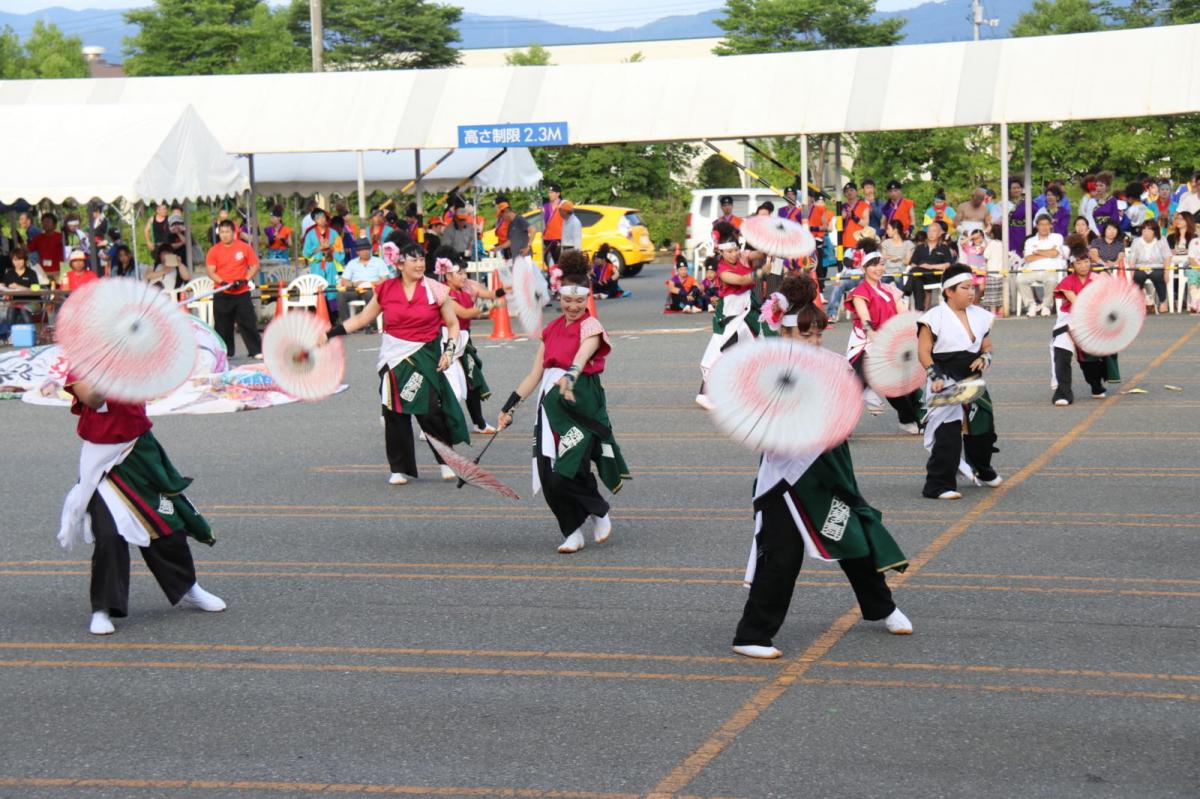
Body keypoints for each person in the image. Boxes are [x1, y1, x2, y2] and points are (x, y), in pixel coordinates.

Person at [731, 274, 912, 660]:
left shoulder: (834, 364)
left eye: (818, 334)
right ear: (784, 333)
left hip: (829, 470)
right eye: (804, 335)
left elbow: (853, 404)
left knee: (854, 540)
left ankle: (882, 607)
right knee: (780, 555)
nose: (813, 342)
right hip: (786, 478)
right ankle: (753, 634)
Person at [57, 374, 224, 636]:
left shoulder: (136, 357)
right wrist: (106, 372)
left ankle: (188, 587)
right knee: (109, 535)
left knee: (167, 524)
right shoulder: (84, 362)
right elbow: (91, 397)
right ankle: (102, 609)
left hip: (139, 452)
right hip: (102, 462)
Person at [496, 251, 630, 554]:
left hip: (580, 402)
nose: (572, 306)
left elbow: (583, 356)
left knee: (570, 467)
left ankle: (599, 510)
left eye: (579, 301)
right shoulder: (551, 329)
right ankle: (571, 531)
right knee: (549, 475)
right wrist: (510, 405)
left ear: (587, 298)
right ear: (559, 295)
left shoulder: (591, 326)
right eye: (567, 301)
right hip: (551, 403)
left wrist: (570, 376)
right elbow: (534, 374)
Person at [322, 241, 468, 485]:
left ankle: (446, 460)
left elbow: (452, 324)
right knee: (394, 412)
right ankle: (399, 467)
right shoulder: (386, 290)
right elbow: (361, 319)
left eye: (422, 259)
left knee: (430, 409)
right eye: (414, 259)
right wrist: (329, 334)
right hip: (393, 359)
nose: (420, 264)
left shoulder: (435, 289)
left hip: (425, 357)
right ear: (399, 263)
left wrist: (449, 350)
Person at [917, 264, 1001, 500]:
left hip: (972, 379)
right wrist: (934, 377)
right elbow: (923, 352)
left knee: (983, 428)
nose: (971, 292)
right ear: (949, 291)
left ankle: (982, 469)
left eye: (972, 287)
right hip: (944, 378)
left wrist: (986, 357)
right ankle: (939, 484)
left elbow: (986, 345)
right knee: (947, 433)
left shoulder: (980, 315)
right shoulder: (933, 318)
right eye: (965, 287)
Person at [845, 250, 921, 434]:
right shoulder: (860, 292)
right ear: (864, 268)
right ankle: (840, 424)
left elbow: (903, 314)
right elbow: (865, 321)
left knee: (896, 385)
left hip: (889, 342)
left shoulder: (889, 289)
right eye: (874, 264)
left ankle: (908, 419)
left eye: (881, 264)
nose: (879, 268)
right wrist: (876, 340)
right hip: (865, 344)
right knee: (855, 386)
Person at [439, 253, 505, 434]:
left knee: (472, 380)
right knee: (452, 386)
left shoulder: (466, 286)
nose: (463, 276)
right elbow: (464, 313)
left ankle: (479, 423)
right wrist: (491, 306)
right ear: (447, 275)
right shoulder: (444, 293)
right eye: (459, 273)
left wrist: (505, 290)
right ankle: (433, 425)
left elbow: (490, 293)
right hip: (447, 341)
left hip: (463, 340)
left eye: (464, 272)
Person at [696, 239, 764, 410]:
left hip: (746, 311)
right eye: (729, 251)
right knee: (720, 352)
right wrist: (761, 272)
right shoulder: (722, 270)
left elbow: (758, 254)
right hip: (730, 314)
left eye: (735, 250)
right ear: (721, 253)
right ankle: (704, 394)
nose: (734, 254)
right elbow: (741, 280)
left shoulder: (742, 256)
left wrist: (769, 246)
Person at [1051, 256, 1109, 406]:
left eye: (1086, 262)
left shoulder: (1097, 278)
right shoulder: (1067, 281)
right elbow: (1078, 303)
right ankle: (1063, 392)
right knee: (1061, 351)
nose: (1083, 266)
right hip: (1069, 319)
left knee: (1089, 358)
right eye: (1079, 263)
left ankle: (1096, 385)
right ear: (1072, 265)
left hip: (1092, 319)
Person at [205, 219, 262, 359]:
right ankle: (226, 352)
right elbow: (211, 271)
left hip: (241, 291)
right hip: (222, 291)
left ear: (234, 233)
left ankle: (255, 350)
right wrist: (222, 282)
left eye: (227, 232)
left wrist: (245, 279)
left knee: (248, 322)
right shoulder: (214, 250)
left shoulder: (244, 247)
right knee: (223, 325)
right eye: (222, 232)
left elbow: (254, 265)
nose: (224, 235)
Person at [337, 238, 393, 329]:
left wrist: (370, 283)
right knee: (340, 295)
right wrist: (354, 284)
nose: (365, 252)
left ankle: (371, 323)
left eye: (367, 249)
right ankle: (347, 324)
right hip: (356, 289)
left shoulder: (378, 262)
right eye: (362, 250)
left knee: (369, 294)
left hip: (372, 289)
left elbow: (384, 279)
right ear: (358, 252)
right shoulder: (352, 263)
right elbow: (344, 281)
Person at [1019, 214, 1065, 317]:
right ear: (1037, 226)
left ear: (1051, 226)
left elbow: (1055, 254)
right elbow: (1028, 258)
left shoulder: (1057, 237)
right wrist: (1048, 253)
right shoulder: (1030, 241)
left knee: (1052, 281)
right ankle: (1031, 305)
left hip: (1050, 270)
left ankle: (1046, 306)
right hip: (1032, 270)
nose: (1044, 227)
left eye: (1047, 224)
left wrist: (1037, 251)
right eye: (1041, 224)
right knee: (1020, 280)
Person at [905, 219, 955, 312]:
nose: (931, 233)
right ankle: (919, 309)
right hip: (920, 276)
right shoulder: (920, 247)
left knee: (914, 272)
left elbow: (948, 264)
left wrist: (930, 266)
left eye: (934, 231)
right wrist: (919, 268)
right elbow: (913, 264)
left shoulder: (944, 248)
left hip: (935, 275)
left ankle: (906, 290)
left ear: (940, 233)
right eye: (929, 231)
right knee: (917, 279)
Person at [1128, 220, 1171, 314]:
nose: (1145, 231)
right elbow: (1132, 259)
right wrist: (1132, 273)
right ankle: (1138, 303)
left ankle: (1163, 302)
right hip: (1141, 267)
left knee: (1158, 275)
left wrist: (1167, 273)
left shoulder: (1162, 240)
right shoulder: (1136, 241)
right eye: (1144, 229)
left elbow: (1167, 257)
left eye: (1148, 229)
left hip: (1157, 267)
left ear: (1155, 231)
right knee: (1138, 276)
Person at [3, 247, 38, 329]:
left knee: (23, 309)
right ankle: (10, 335)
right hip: (15, 302)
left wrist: (20, 287)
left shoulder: (31, 273)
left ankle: (31, 333)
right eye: (15, 260)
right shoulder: (9, 273)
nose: (17, 262)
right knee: (11, 310)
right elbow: (5, 287)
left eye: (20, 259)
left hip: (33, 302)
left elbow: (36, 288)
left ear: (25, 260)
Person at [840, 182, 871, 258]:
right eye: (846, 191)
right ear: (844, 194)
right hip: (845, 242)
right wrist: (842, 218)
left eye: (851, 190)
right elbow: (837, 225)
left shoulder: (864, 205)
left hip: (860, 241)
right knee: (847, 267)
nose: (849, 192)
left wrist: (854, 217)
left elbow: (866, 224)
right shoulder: (842, 207)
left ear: (856, 191)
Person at [30, 213, 64, 280]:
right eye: (44, 222)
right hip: (43, 272)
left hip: (60, 271)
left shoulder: (62, 237)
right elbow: (28, 250)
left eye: (48, 221)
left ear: (55, 225)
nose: (46, 224)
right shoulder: (37, 238)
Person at [880, 218, 914, 287]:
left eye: (888, 229)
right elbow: (882, 260)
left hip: (900, 272)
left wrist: (898, 258)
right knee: (883, 280)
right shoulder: (886, 243)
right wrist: (884, 258)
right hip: (886, 272)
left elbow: (908, 262)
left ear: (895, 230)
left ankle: (900, 296)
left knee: (898, 279)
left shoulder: (908, 244)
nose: (886, 231)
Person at [981, 224, 1006, 313]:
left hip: (992, 270)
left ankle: (993, 311)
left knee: (992, 292)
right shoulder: (1003, 243)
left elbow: (986, 255)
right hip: (1002, 270)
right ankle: (1001, 309)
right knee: (1000, 292)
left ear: (992, 233)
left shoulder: (992, 244)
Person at [542, 183, 563, 268]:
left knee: (560, 263)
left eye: (552, 192)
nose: (549, 194)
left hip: (560, 239)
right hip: (547, 239)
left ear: (558, 194)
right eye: (549, 192)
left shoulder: (563, 205)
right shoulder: (545, 207)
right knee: (549, 264)